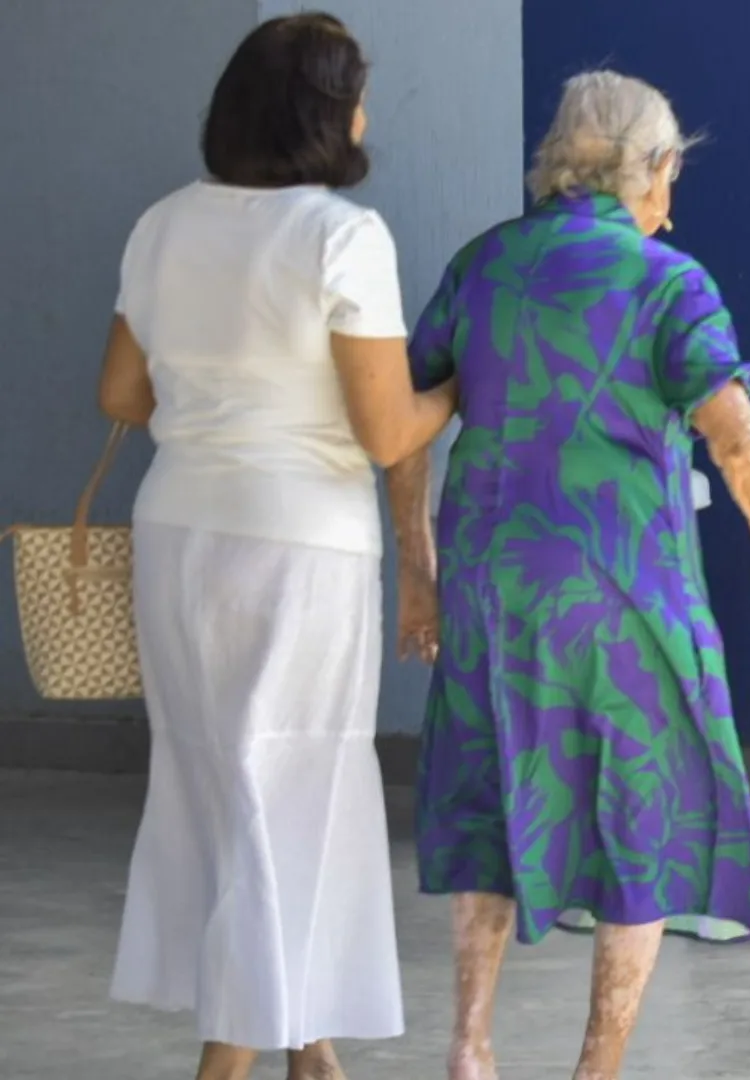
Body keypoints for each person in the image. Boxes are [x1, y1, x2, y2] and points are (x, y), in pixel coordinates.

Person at [393, 71, 750, 1080]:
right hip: (626, 600)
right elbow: (738, 434)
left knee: (496, 797)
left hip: (489, 592)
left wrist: (418, 576)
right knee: (646, 817)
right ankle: (596, 1071)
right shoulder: (667, 282)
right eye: (674, 170)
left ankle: (469, 1046)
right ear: (653, 168)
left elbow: (404, 433)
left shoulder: (483, 266)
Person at [96, 14, 456, 1079]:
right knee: (289, 790)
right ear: (331, 114)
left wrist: (223, 392)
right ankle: (229, 1062)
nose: (368, 113)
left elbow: (120, 392)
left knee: (224, 784)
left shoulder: (162, 225)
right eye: (359, 94)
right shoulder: (343, 237)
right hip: (298, 548)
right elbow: (389, 431)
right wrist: (460, 385)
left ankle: (310, 1048)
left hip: (177, 534)